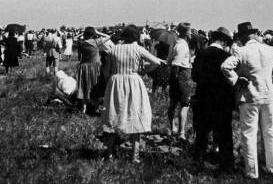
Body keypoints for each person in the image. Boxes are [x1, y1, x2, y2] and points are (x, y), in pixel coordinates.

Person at [221, 22, 273, 180]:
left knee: (249, 134)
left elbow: (225, 67)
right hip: (269, 96)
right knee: (270, 133)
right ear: (254, 34)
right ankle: (272, 168)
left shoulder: (242, 51)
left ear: (243, 37)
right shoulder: (269, 49)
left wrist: (237, 80)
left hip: (249, 97)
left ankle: (252, 172)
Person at [102, 24, 164, 163]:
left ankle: (109, 154)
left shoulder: (113, 49)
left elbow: (106, 71)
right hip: (133, 82)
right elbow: (156, 62)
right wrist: (144, 71)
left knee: (113, 115)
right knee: (135, 113)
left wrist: (110, 82)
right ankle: (134, 156)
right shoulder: (138, 49)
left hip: (116, 81)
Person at [191, 27, 235, 174]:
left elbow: (195, 76)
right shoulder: (226, 56)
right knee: (224, 134)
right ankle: (226, 165)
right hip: (221, 100)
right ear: (224, 41)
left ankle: (198, 162)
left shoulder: (201, 54)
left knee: (202, 133)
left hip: (202, 98)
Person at [167, 22, 193, 141]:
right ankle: (182, 132)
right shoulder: (183, 45)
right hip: (182, 73)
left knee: (173, 102)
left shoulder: (175, 43)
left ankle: (173, 127)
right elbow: (176, 62)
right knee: (184, 104)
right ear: (187, 32)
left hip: (175, 74)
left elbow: (169, 60)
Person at [76, 27, 103, 114]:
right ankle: (96, 108)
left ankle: (83, 108)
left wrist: (81, 33)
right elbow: (109, 37)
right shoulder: (96, 42)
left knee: (84, 86)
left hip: (84, 66)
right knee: (96, 86)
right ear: (93, 34)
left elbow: (74, 38)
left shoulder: (81, 43)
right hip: (94, 67)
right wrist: (98, 32)